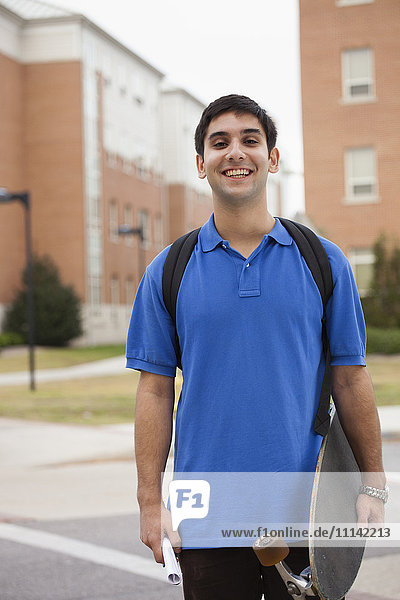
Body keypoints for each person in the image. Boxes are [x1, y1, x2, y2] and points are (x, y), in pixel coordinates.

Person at [126, 94, 386, 599]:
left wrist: (372, 485)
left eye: (251, 140)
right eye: (219, 143)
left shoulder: (324, 262)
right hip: (207, 516)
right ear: (201, 164)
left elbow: (351, 379)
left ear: (273, 159)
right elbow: (154, 392)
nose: (236, 153)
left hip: (309, 511)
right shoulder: (168, 271)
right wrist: (149, 502)